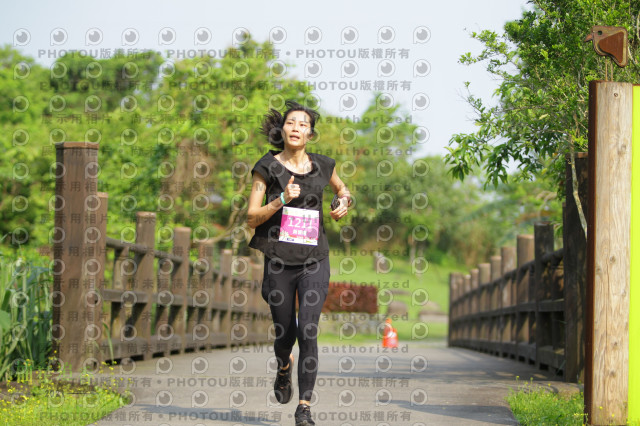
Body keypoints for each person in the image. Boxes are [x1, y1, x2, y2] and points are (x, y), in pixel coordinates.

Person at [247, 100, 352, 426]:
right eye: (291, 123)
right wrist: (281, 200)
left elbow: (342, 189)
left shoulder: (323, 165)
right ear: (282, 130)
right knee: (285, 334)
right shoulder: (266, 167)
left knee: (308, 328)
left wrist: (343, 201)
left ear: (310, 134)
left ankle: (304, 407)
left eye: (303, 124)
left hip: (314, 260)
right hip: (279, 261)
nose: (296, 128)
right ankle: (283, 366)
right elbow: (251, 217)